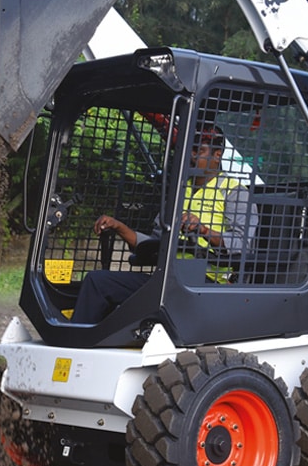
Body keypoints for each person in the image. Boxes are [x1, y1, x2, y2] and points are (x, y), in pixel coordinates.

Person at [71, 127, 256, 324]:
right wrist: (119, 227)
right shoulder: (179, 191)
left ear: (217, 155)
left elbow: (241, 243)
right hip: (166, 280)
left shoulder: (235, 193)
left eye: (198, 151)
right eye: (189, 151)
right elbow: (154, 242)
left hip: (203, 284)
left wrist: (203, 230)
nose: (191, 157)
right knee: (97, 282)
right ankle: (74, 345)